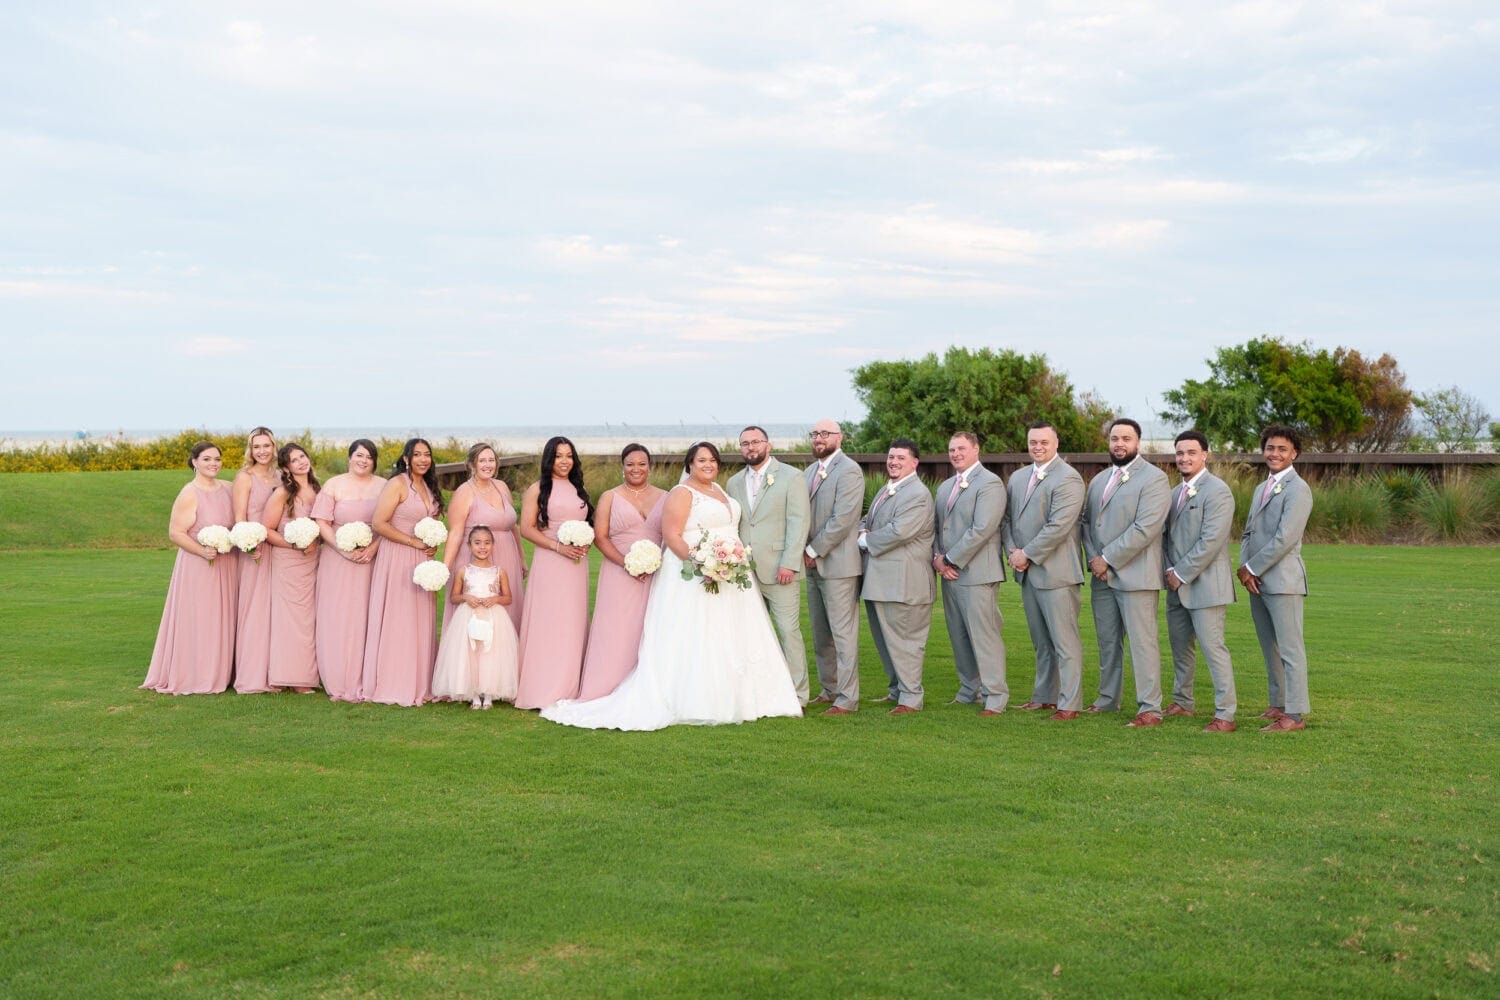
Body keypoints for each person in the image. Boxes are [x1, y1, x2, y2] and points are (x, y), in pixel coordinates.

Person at [541, 442, 802, 730]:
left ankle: (748, 696)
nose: (708, 465)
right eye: (701, 460)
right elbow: (672, 534)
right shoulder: (681, 493)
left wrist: (728, 560)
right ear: (689, 464)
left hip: (730, 573)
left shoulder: (720, 491)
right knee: (697, 635)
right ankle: (701, 698)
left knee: (731, 632)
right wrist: (703, 563)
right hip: (699, 569)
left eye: (713, 460)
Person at [1081, 418, 1170, 727]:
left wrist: (1107, 558)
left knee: (1142, 643)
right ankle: (1108, 699)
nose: (1119, 443)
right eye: (1115, 438)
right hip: (1101, 576)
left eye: (1126, 439)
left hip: (1135, 576)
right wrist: (1095, 559)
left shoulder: (1155, 479)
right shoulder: (1098, 480)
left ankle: (1150, 708)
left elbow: (1145, 528)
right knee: (1107, 641)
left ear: (1138, 443)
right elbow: (1086, 524)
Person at [1003, 422, 1086, 720]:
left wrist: (1027, 554)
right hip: (1026, 571)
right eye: (1033, 442)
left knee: (1065, 642)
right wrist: (1013, 552)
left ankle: (1070, 703)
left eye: (1043, 442)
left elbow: (1059, 526)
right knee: (1041, 641)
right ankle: (1044, 696)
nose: (1037, 447)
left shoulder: (1069, 478)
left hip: (1057, 573)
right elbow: (1007, 520)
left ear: (1056, 442)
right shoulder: (1018, 477)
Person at [141, 441, 238, 695]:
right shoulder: (189, 493)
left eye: (217, 459)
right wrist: (202, 551)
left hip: (227, 564)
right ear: (194, 462)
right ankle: (198, 674)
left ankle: (223, 671)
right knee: (202, 619)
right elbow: (176, 533)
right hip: (199, 565)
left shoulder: (228, 488)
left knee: (224, 618)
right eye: (206, 459)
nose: (213, 464)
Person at [1238, 424, 1315, 732]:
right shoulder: (1262, 487)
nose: (1275, 453)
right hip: (1256, 581)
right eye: (1270, 448)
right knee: (1269, 645)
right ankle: (1278, 703)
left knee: (1290, 647)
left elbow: (1285, 538)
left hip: (1283, 582)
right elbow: (1248, 533)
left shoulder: (1299, 489)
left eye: (1282, 449)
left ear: (1294, 453)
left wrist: (1252, 568)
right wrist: (1245, 569)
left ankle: (1294, 715)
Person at [727, 425, 811, 704]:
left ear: (768, 445)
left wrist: (789, 563)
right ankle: (758, 690)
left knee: (788, 632)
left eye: (756, 442)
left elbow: (798, 523)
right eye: (745, 443)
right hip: (744, 572)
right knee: (751, 633)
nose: (750, 447)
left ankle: (798, 694)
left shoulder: (791, 477)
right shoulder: (734, 482)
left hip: (779, 570)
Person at [577, 444, 667, 700]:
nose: (636, 469)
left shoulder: (666, 496)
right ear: (622, 467)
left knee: (650, 627)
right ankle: (605, 686)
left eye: (641, 463)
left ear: (650, 466)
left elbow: (671, 534)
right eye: (630, 464)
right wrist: (626, 563)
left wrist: (655, 563)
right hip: (618, 572)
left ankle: (647, 688)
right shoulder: (609, 497)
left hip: (655, 574)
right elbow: (601, 537)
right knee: (615, 629)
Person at [1162, 430, 1238, 732]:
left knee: (1213, 650)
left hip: (1206, 587)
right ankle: (1183, 702)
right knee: (1181, 648)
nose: (1185, 458)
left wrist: (1180, 573)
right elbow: (1165, 538)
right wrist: (1169, 571)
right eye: (1180, 453)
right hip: (1175, 586)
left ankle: (1225, 714)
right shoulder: (1172, 493)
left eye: (1191, 452)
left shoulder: (1218, 491)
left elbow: (1211, 541)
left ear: (1205, 455)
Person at [361, 438, 443, 707]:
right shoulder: (397, 484)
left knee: (420, 619)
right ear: (406, 458)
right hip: (397, 557)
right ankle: (395, 680)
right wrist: (414, 542)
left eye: (427, 454)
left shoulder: (429, 485)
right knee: (399, 619)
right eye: (417, 454)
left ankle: (420, 681)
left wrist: (430, 542)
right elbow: (379, 523)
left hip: (422, 559)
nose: (423, 459)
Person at [932, 432, 1008, 716]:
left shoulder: (989, 484)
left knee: (984, 636)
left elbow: (982, 529)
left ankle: (995, 697)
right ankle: (968, 690)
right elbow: (938, 527)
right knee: (959, 635)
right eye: (951, 449)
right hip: (948, 573)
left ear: (976, 449)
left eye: (962, 448)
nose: (956, 453)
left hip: (977, 573)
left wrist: (950, 559)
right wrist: (937, 559)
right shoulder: (945, 486)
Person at [514, 436, 593, 709]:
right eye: (559, 456)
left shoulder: (578, 488)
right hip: (550, 562)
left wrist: (584, 540)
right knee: (548, 621)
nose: (564, 461)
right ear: (549, 459)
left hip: (576, 566)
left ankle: (569, 686)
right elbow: (526, 528)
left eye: (569, 456)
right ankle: (542, 687)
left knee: (572, 621)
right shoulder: (537, 489)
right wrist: (558, 547)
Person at [860, 438, 936, 715]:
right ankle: (897, 690)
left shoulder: (916, 493)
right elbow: (868, 521)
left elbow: (899, 531)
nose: (893, 462)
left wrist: (865, 542)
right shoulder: (887, 489)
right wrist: (861, 532)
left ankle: (911, 698)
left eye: (900, 458)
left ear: (914, 463)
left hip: (906, 583)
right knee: (886, 642)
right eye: (891, 457)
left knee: (906, 642)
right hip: (881, 582)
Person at [311, 439, 385, 702]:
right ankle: (339, 676)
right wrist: (341, 548)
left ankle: (370, 676)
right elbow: (322, 521)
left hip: (371, 560)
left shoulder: (383, 486)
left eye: (369, 457)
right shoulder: (334, 485)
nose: (364, 460)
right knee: (340, 615)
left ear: (374, 461)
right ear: (350, 457)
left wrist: (375, 547)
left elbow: (388, 522)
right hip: (338, 560)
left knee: (368, 615)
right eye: (359, 455)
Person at [802, 418, 865, 713]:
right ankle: (829, 688)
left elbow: (843, 519)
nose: (818, 438)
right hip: (811, 565)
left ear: (839, 438)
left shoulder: (849, 471)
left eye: (825, 434)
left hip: (838, 566)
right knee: (821, 634)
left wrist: (814, 550)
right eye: (815, 434)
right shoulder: (810, 471)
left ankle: (848, 698)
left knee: (843, 635)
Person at [443, 442, 526, 634]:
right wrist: (445, 568)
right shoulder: (464, 492)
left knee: (505, 608)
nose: (488, 465)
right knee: (476, 613)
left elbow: (513, 526)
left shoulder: (502, 487)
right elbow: (455, 532)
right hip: (475, 558)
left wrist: (521, 559)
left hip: (508, 558)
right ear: (472, 464)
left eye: (491, 460)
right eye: (482, 460)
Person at [432, 526, 519, 709]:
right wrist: (466, 597)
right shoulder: (464, 571)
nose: (482, 547)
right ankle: (473, 693)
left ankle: (488, 694)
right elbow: (454, 597)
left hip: (493, 616)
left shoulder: (499, 571)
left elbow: (508, 597)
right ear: (469, 545)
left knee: (490, 653)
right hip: (468, 616)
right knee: (471, 653)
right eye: (477, 543)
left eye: (487, 543)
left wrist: (495, 598)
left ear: (493, 545)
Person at [260, 443, 322, 693]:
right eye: (294, 460)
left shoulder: (319, 489)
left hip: (314, 561)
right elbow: (266, 529)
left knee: (310, 620)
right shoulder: (283, 493)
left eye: (302, 457)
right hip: (289, 562)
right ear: (286, 467)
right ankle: (292, 678)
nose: (301, 462)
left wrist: (315, 541)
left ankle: (308, 673)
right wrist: (294, 545)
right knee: (291, 619)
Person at [231, 426, 278, 694]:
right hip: (255, 553)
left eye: (266, 446)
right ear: (251, 450)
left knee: (275, 613)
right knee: (255, 611)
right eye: (257, 446)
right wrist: (249, 545)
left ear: (274, 447)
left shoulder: (281, 476)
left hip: (278, 551)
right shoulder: (245, 478)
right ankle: (252, 677)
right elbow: (239, 518)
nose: (262, 451)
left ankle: (275, 672)